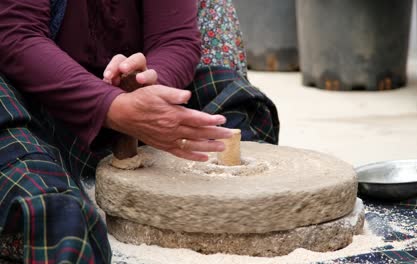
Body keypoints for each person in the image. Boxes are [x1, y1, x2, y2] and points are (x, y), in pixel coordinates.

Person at [0, 0, 279, 263]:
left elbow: (175, 39)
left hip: (139, 102)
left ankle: (222, 218)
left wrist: (150, 85)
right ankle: (58, 213)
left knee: (232, 96)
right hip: (43, 107)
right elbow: (17, 35)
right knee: (51, 209)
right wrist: (112, 106)